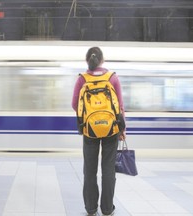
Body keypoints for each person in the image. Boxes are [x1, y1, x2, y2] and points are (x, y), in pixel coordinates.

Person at [72, 47, 126, 216]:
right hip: (111, 129)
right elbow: (120, 107)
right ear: (102, 60)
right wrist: (122, 129)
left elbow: (75, 105)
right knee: (108, 169)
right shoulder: (113, 78)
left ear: (87, 60)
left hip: (89, 130)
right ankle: (107, 209)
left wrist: (89, 118)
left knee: (90, 169)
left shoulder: (82, 79)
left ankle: (91, 208)